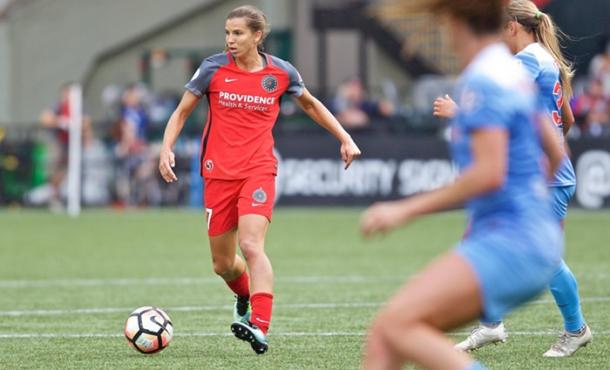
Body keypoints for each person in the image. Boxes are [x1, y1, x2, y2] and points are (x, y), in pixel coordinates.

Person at [359, 0, 565, 369]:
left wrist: (402, 209)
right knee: (387, 335)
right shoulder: (510, 70)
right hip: (529, 235)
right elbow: (555, 151)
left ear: (455, 22)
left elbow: (489, 173)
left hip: (512, 242)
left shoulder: (484, 78)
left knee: (394, 327)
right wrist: (529, 198)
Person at [158, 5, 361, 355]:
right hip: (218, 174)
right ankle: (243, 295)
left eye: (237, 33)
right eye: (227, 32)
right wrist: (166, 148)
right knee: (223, 264)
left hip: (258, 170)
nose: (230, 40)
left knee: (251, 246)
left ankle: (260, 325)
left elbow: (311, 105)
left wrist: (345, 137)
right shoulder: (212, 68)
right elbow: (182, 112)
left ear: (257, 36)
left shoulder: (281, 73)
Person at [434, 0, 592, 357]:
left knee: (544, 257)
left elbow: (499, 107)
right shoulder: (545, 59)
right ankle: (491, 324)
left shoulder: (527, 62)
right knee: (482, 236)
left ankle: (576, 329)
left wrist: (456, 111)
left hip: (544, 178)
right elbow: (565, 118)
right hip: (542, 173)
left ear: (512, 28)